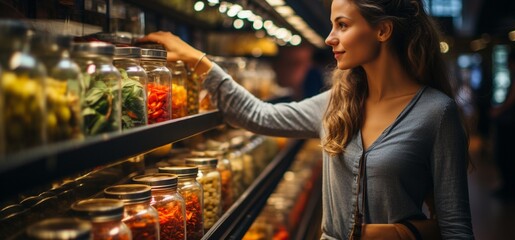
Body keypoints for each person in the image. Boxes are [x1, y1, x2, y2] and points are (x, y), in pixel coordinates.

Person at [140, 0, 474, 239]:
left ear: (383, 30)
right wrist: (200, 63)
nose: (330, 38)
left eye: (342, 25)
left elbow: (456, 227)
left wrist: (403, 233)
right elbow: (259, 115)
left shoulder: (436, 112)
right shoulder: (337, 103)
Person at [490, 50, 515, 203]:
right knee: (508, 156)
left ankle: (510, 189)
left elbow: (513, 98)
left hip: (509, 123)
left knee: (507, 156)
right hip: (511, 122)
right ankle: (509, 188)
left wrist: (499, 110)